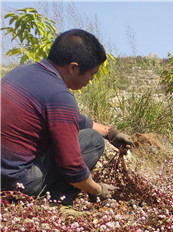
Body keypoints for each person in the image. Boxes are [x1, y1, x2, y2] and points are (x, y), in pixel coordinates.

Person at [1, 29, 133, 206]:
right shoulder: (60, 95)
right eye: (92, 73)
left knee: (95, 134)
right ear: (73, 68)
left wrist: (110, 133)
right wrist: (98, 189)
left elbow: (70, 118)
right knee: (93, 141)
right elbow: (72, 168)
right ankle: (56, 199)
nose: (91, 80)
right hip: (17, 183)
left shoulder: (19, 73)